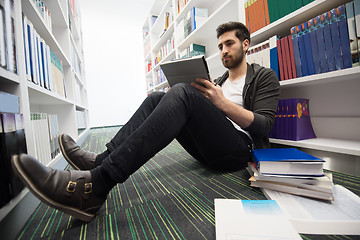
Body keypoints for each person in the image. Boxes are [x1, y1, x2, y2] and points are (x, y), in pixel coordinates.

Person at [12, 22, 280, 222]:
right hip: (209, 148)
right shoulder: (218, 82)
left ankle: (97, 185)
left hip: (240, 151)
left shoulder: (263, 77)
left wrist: (221, 103)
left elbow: (263, 126)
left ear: (246, 44)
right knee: (156, 98)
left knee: (182, 94)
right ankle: (100, 160)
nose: (223, 50)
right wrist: (209, 101)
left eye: (229, 44)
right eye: (220, 46)